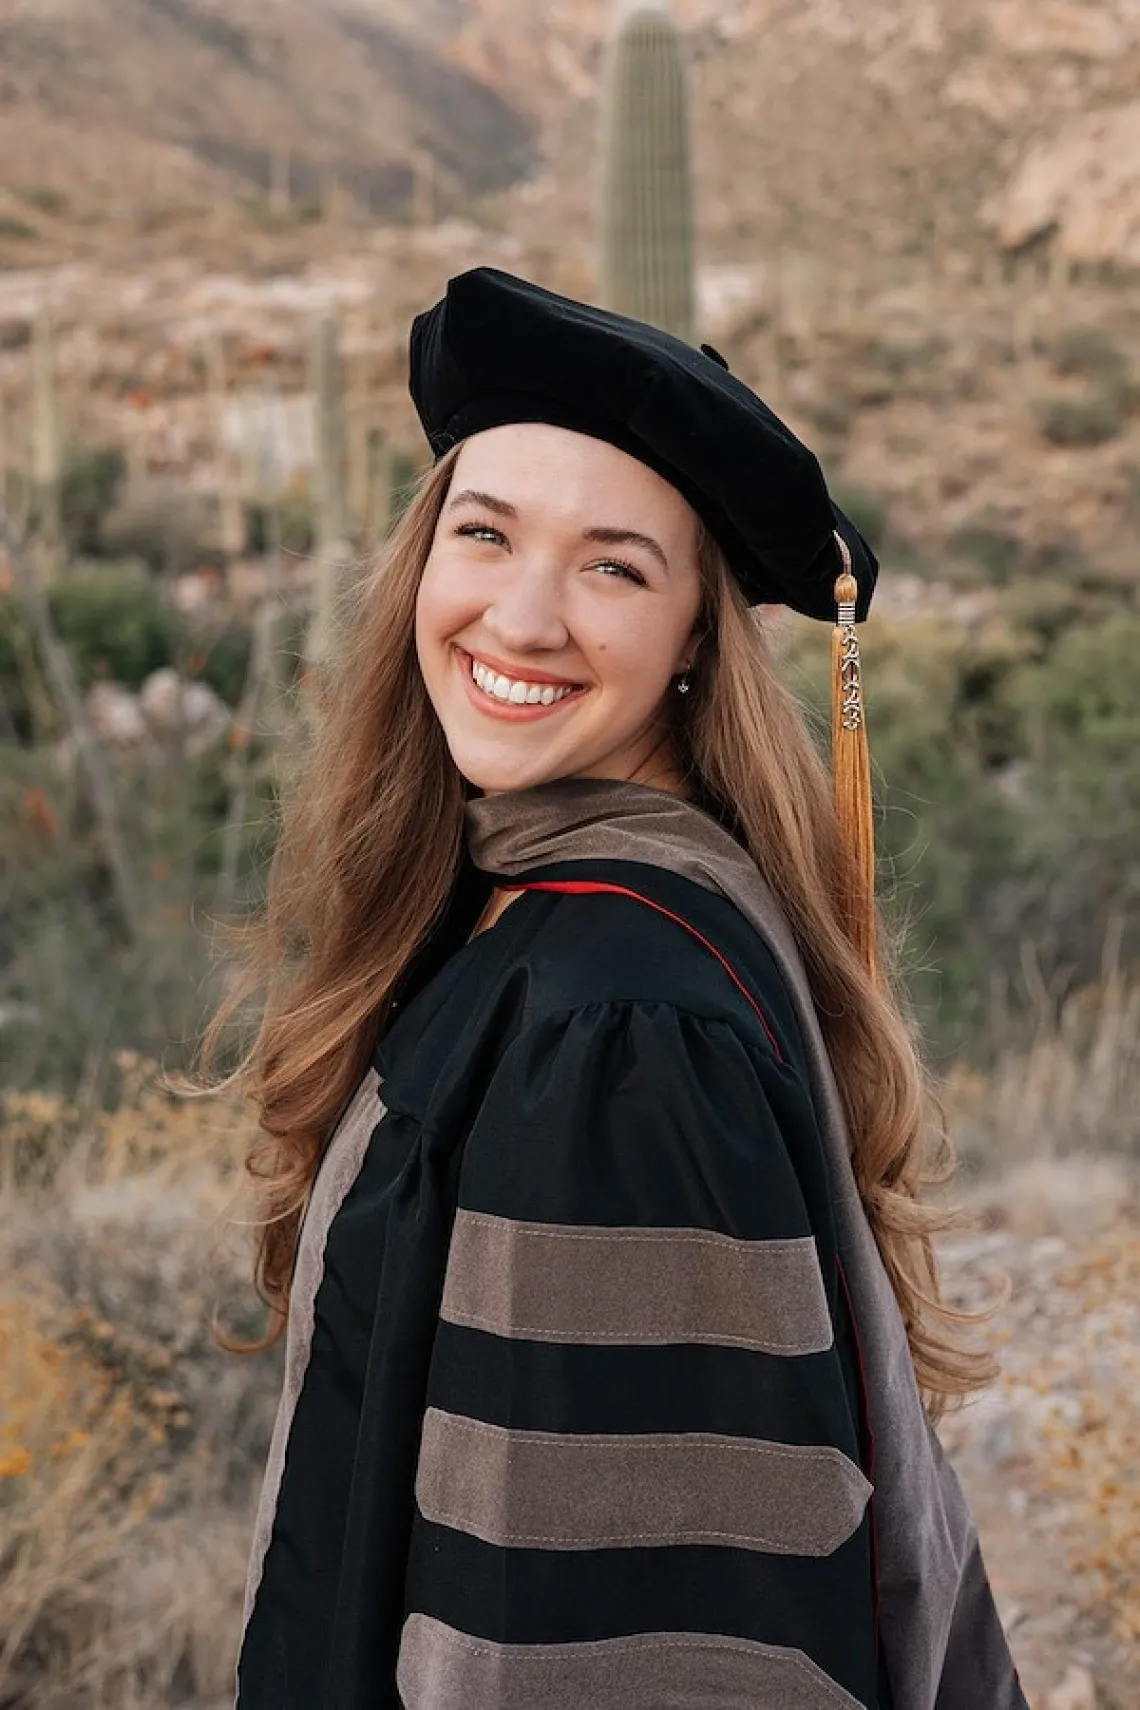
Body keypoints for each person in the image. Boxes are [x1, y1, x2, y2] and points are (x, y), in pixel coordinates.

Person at [218, 267, 1028, 1709]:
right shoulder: (550, 913)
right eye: (485, 533)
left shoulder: (616, 1028)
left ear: (696, 639)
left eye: (612, 566)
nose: (521, 619)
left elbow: (620, 1645)